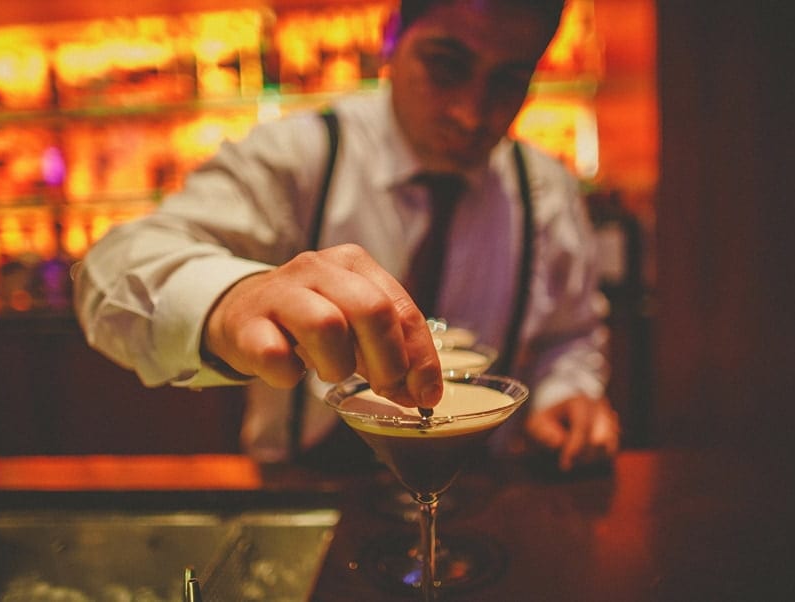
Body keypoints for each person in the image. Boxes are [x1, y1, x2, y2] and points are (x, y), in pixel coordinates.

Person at [74, 0, 620, 472]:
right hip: (307, 488)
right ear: (390, 38)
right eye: (446, 66)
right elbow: (111, 274)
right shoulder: (297, 156)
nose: (471, 114)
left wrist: (565, 393)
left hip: (480, 493)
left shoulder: (544, 189)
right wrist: (229, 300)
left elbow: (569, 334)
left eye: (508, 81)